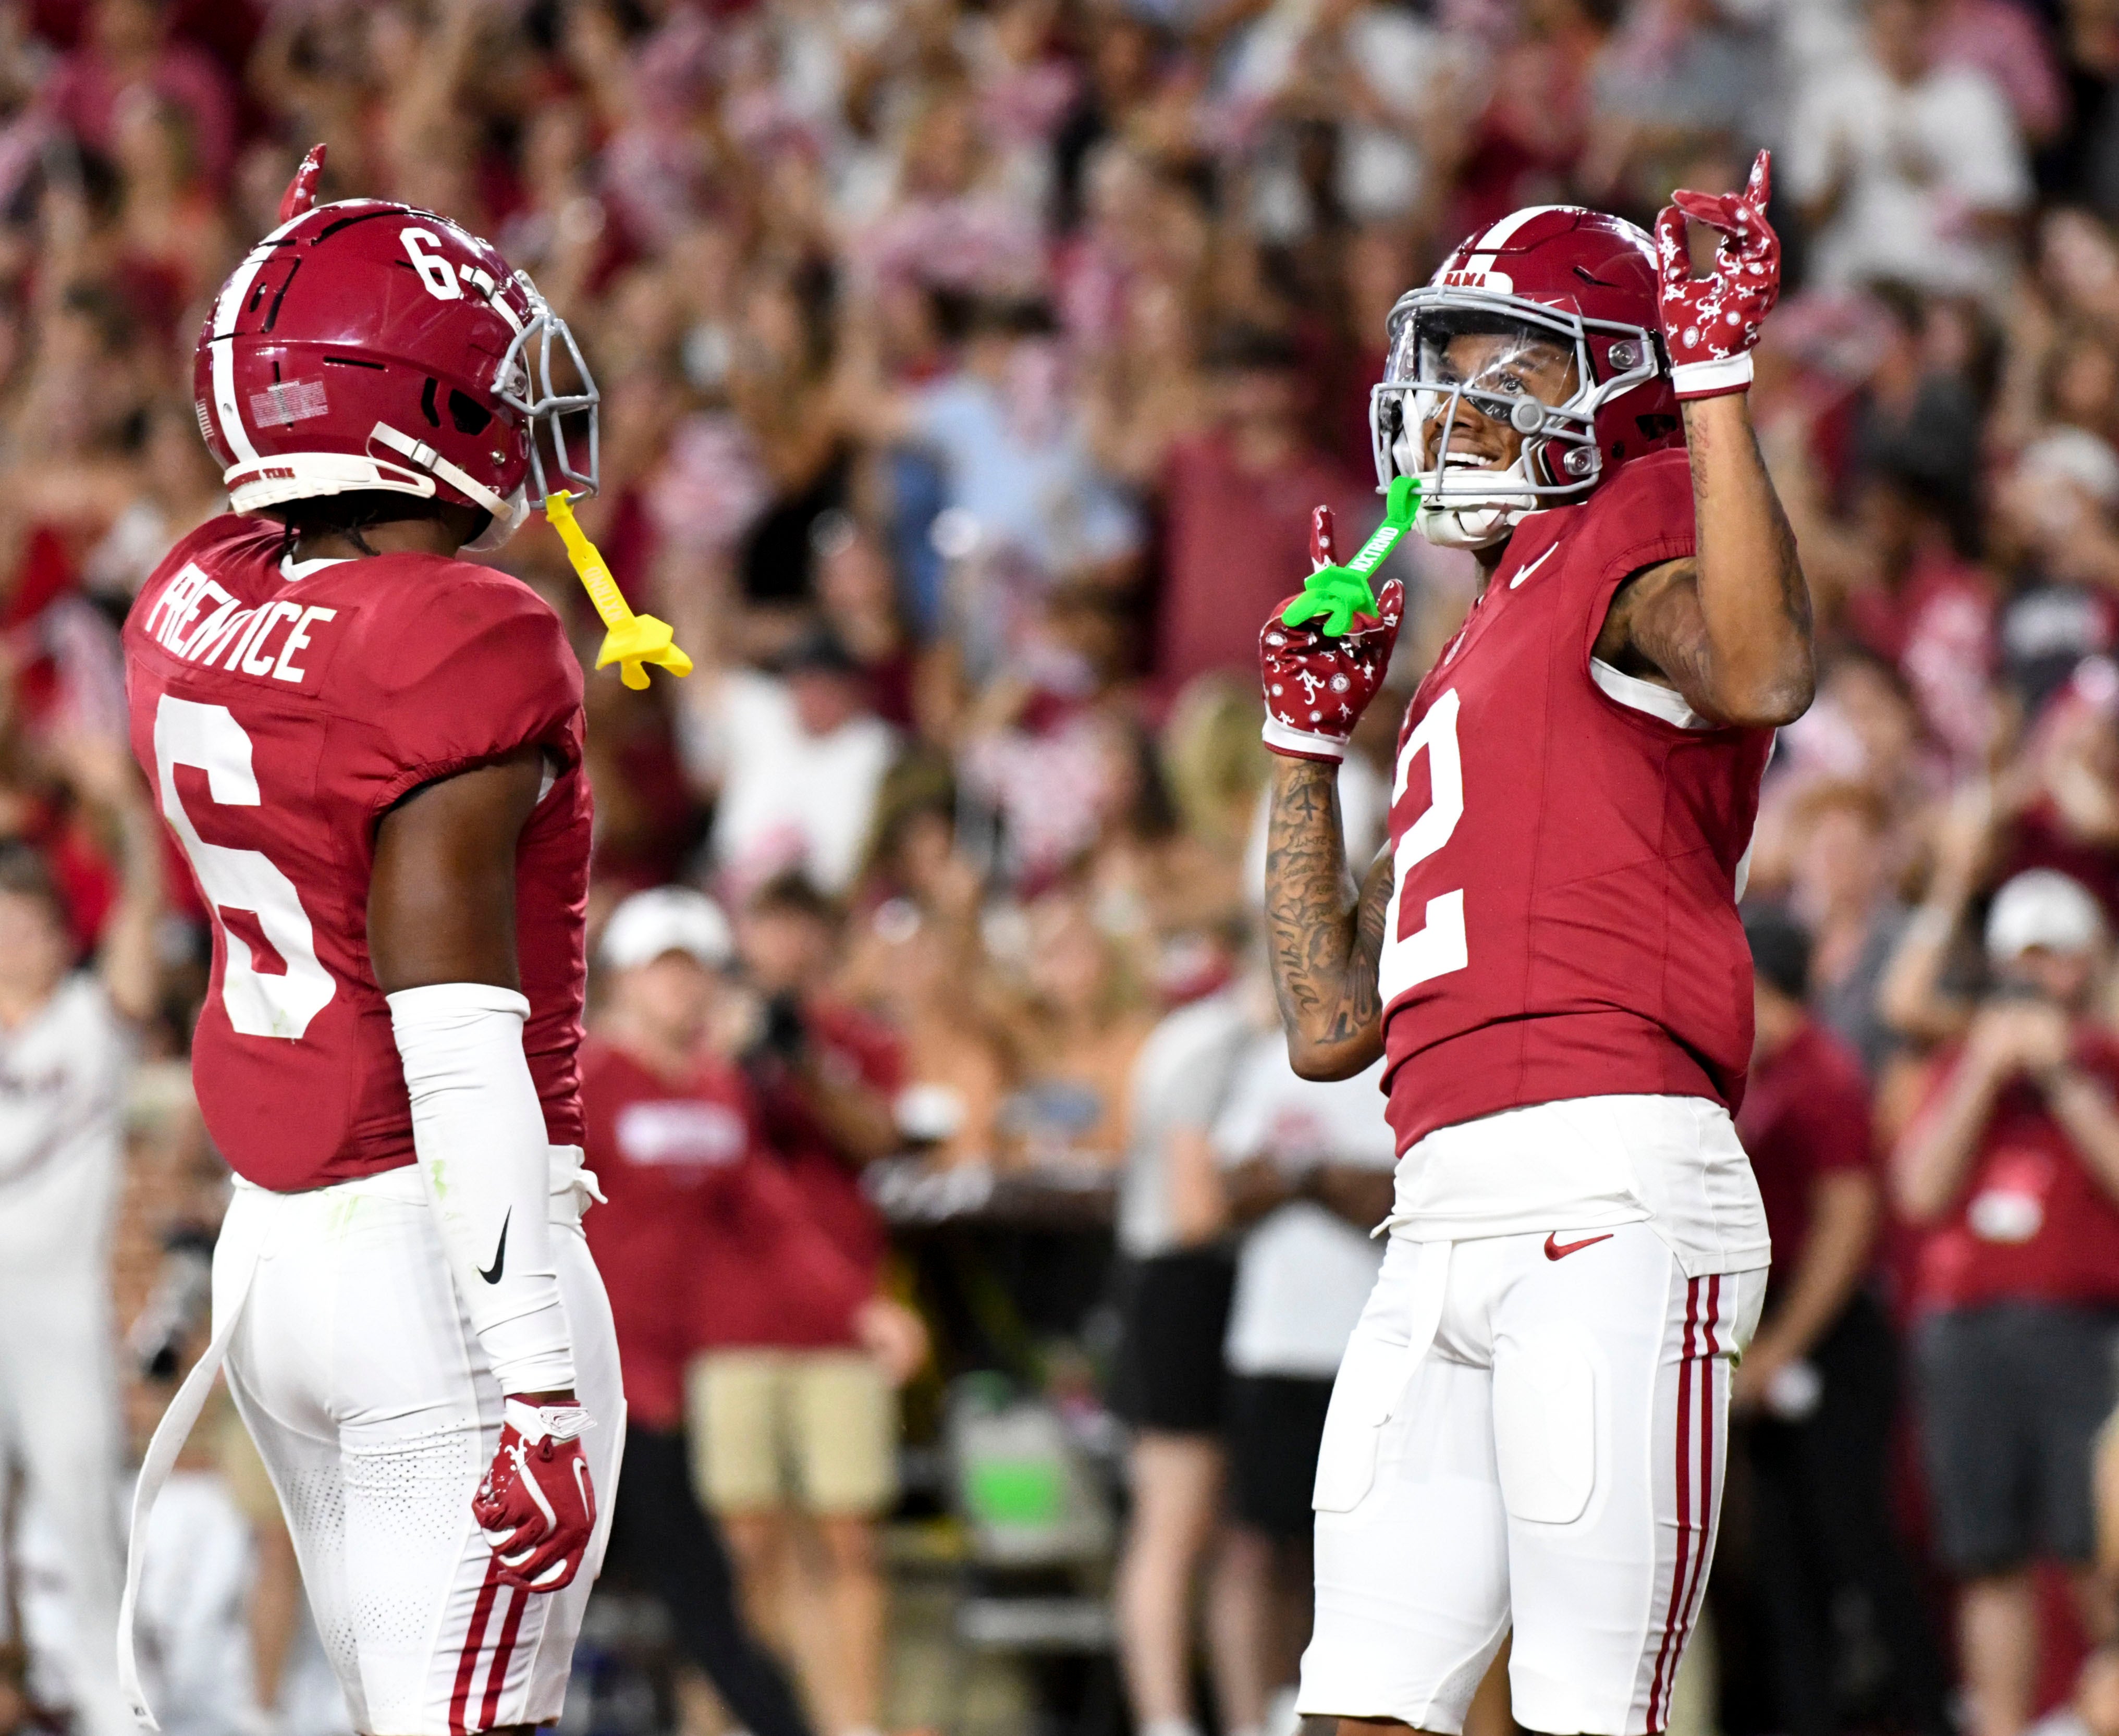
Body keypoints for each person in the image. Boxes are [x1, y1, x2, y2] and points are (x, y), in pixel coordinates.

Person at [1258, 159, 1812, 1735]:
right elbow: (1327, 1023)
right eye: (1451, 368)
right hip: (1434, 1207)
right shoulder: (1479, 636)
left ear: (1621, 386)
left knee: (1585, 1711)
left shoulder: (1634, 516)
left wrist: (1713, 387)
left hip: (1607, 1182)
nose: (1460, 408)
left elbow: (1766, 667)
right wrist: (1303, 753)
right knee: (1358, 1709)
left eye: (1514, 367)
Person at [117, 152, 633, 1735]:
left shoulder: (190, 589)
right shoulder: (452, 640)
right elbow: (456, 1036)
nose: (512, 389)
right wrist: (538, 1382)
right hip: (440, 1257)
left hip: (274, 1252)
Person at [582, 886, 923, 1736]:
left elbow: (771, 1217)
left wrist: (858, 1310)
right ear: (623, 978)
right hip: (595, 1379)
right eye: (663, 971)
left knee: (708, 1594)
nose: (681, 990)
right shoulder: (583, 1082)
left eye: (694, 972)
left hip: (674, 1380)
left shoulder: (714, 1090)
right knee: (602, 1590)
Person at [1891, 869, 2119, 1736]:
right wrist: (1980, 1075)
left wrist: (2065, 1083)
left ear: (2087, 965)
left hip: (2080, 1331)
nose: (2037, 982)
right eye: (2023, 961)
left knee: (2094, 1552)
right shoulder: (1960, 1062)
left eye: (2055, 961)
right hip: (1967, 1334)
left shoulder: (2102, 1061)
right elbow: (1917, 1190)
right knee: (1987, 1559)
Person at [1734, 909, 1947, 1736]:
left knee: (1858, 1548)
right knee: (1786, 1567)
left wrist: (1778, 1348)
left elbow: (1847, 1224)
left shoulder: (1819, 1071)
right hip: (1783, 1329)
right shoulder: (1768, 1073)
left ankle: (1925, 1715)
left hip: (1833, 1338)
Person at [0, 750, 160, 1736]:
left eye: (29, 923)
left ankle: (118, 1713)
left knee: (91, 1547)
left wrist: (127, 812)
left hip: (59, 1328)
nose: (13, 940)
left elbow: (145, 929)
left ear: (64, 934)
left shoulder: (88, 1023)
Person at [1209, 1022, 1395, 1736]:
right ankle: (1268, 1716)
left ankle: (1341, 1714)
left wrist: (1300, 1176)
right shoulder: (1266, 1061)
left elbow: (1397, 1197)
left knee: (1356, 1552)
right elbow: (1227, 1187)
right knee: (1265, 1545)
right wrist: (1320, 1181)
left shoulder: (1399, 1062)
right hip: (1273, 1344)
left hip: (1370, 1342)